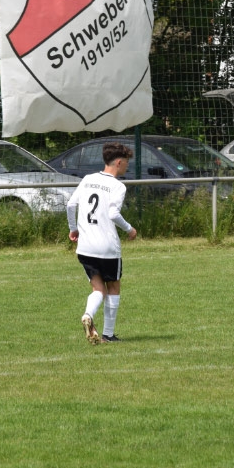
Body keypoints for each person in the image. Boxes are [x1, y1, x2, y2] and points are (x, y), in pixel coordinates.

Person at [66, 141, 137, 344]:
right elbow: (113, 214)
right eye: (127, 162)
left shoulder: (88, 179)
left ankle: (88, 314)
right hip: (107, 248)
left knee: (98, 289)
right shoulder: (118, 186)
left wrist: (73, 228)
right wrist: (129, 229)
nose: (127, 166)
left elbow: (70, 205)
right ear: (119, 162)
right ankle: (108, 334)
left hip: (85, 247)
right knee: (113, 287)